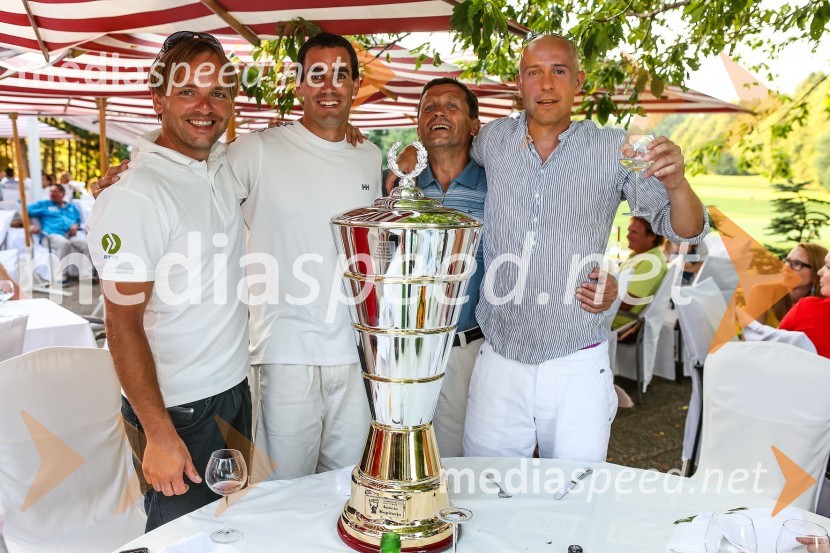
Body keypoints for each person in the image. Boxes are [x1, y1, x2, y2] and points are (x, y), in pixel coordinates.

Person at [458, 34, 707, 462]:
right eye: (534, 72)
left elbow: (686, 230)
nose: (547, 84)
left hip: (575, 358)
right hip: (499, 357)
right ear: (519, 82)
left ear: (580, 81)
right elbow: (449, 153)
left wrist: (677, 182)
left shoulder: (615, 149)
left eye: (559, 71)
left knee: (575, 498)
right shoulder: (493, 141)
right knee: (485, 489)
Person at [385, 77, 618, 457]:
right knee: (402, 455)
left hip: (469, 347)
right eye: (428, 108)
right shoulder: (398, 184)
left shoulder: (498, 181)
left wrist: (605, 278)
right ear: (418, 124)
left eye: (451, 106)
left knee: (463, 467)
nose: (438, 113)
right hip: (406, 348)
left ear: (476, 127)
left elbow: (552, 237)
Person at [85, 32, 252, 531]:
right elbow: (121, 323)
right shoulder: (135, 194)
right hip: (176, 410)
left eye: (219, 93)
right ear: (158, 98)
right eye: (187, 91)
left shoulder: (219, 165)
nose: (205, 106)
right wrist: (158, 434)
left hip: (232, 391)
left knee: (230, 528)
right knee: (181, 538)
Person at [226, 32, 380, 480]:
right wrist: (136, 167)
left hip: (353, 354)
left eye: (340, 74)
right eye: (316, 74)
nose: (328, 85)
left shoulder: (368, 155)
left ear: (355, 85)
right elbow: (195, 185)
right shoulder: (257, 150)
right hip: (284, 352)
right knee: (282, 488)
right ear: (298, 84)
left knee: (347, 486)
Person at [611, 217, 667, 331]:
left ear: (652, 235)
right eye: (629, 231)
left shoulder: (650, 263)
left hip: (615, 322)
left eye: (634, 232)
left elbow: (626, 303)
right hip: (612, 315)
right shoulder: (639, 256)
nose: (628, 236)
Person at [27, 183, 92, 281]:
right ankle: (60, 276)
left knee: (87, 245)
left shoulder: (71, 207)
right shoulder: (45, 204)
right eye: (51, 191)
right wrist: (30, 226)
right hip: (50, 235)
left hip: (69, 235)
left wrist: (75, 226)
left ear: (62, 194)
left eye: (55, 191)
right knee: (64, 243)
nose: (52, 194)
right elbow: (23, 210)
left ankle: (86, 276)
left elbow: (78, 221)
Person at [777, 249, 830, 358]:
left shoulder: (808, 308)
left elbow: (771, 348)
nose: (820, 272)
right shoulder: (767, 292)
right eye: (787, 261)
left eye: (828, 267)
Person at [763, 243, 828, 326]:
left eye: (796, 264)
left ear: (816, 273)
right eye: (787, 261)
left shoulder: (822, 305)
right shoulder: (764, 292)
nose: (786, 267)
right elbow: (750, 335)